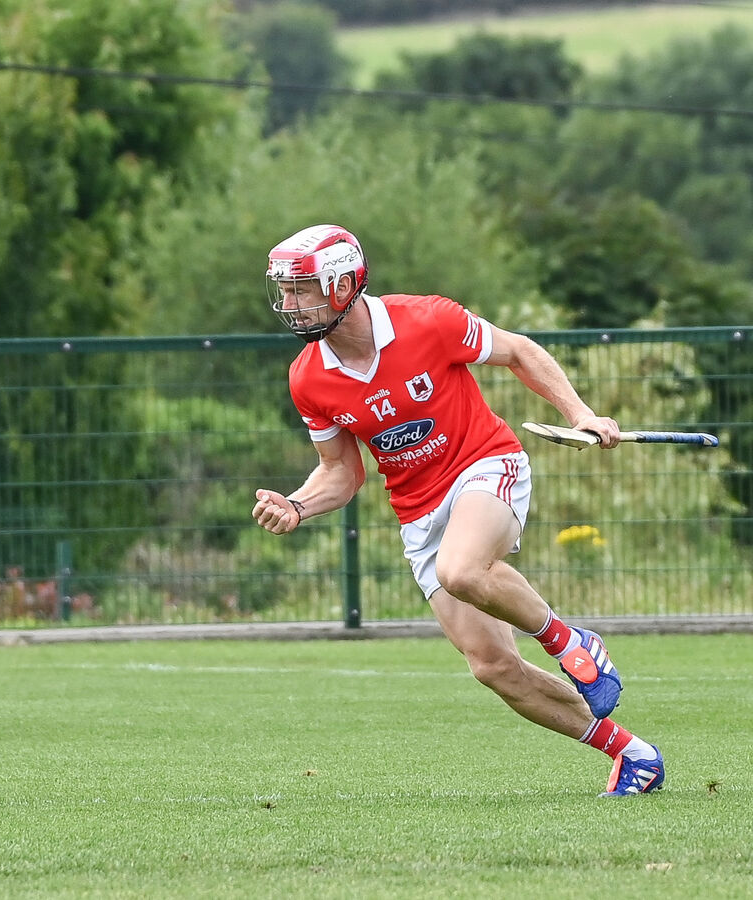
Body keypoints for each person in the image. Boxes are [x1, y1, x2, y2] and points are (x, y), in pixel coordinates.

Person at [252, 224, 664, 798]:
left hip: (485, 465)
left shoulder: (427, 319)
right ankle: (632, 754)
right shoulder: (308, 379)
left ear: (344, 283)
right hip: (419, 514)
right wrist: (296, 506)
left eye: (302, 289)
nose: (290, 305)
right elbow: (342, 473)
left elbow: (519, 351)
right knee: (492, 667)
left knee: (463, 569)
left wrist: (581, 414)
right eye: (285, 291)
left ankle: (571, 642)